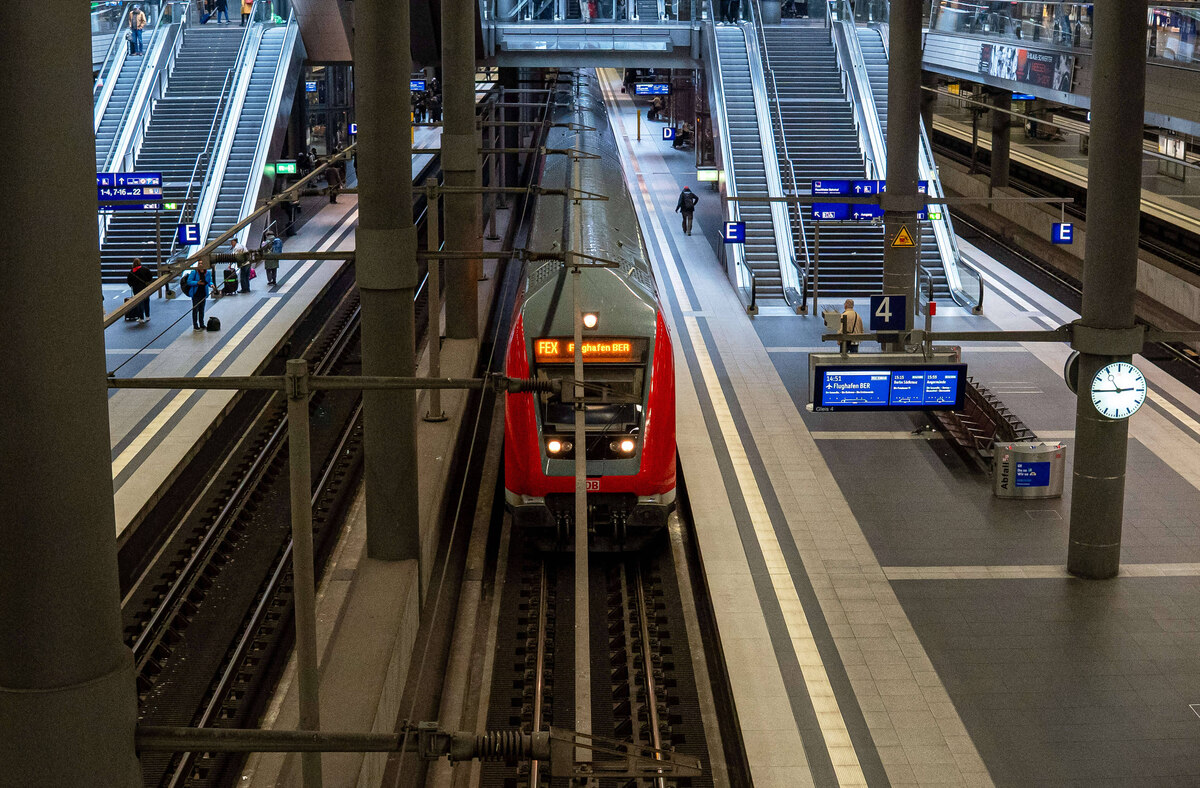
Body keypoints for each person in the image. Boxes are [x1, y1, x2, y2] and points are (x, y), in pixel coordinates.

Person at [186, 262, 214, 330]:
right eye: (199, 263)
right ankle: (195, 324)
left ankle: (202, 324)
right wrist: (197, 283)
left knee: (202, 310)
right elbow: (189, 282)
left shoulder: (207, 273)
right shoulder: (194, 272)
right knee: (195, 310)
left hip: (203, 294)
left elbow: (209, 281)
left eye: (202, 263)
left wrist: (211, 284)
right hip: (196, 294)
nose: (201, 265)